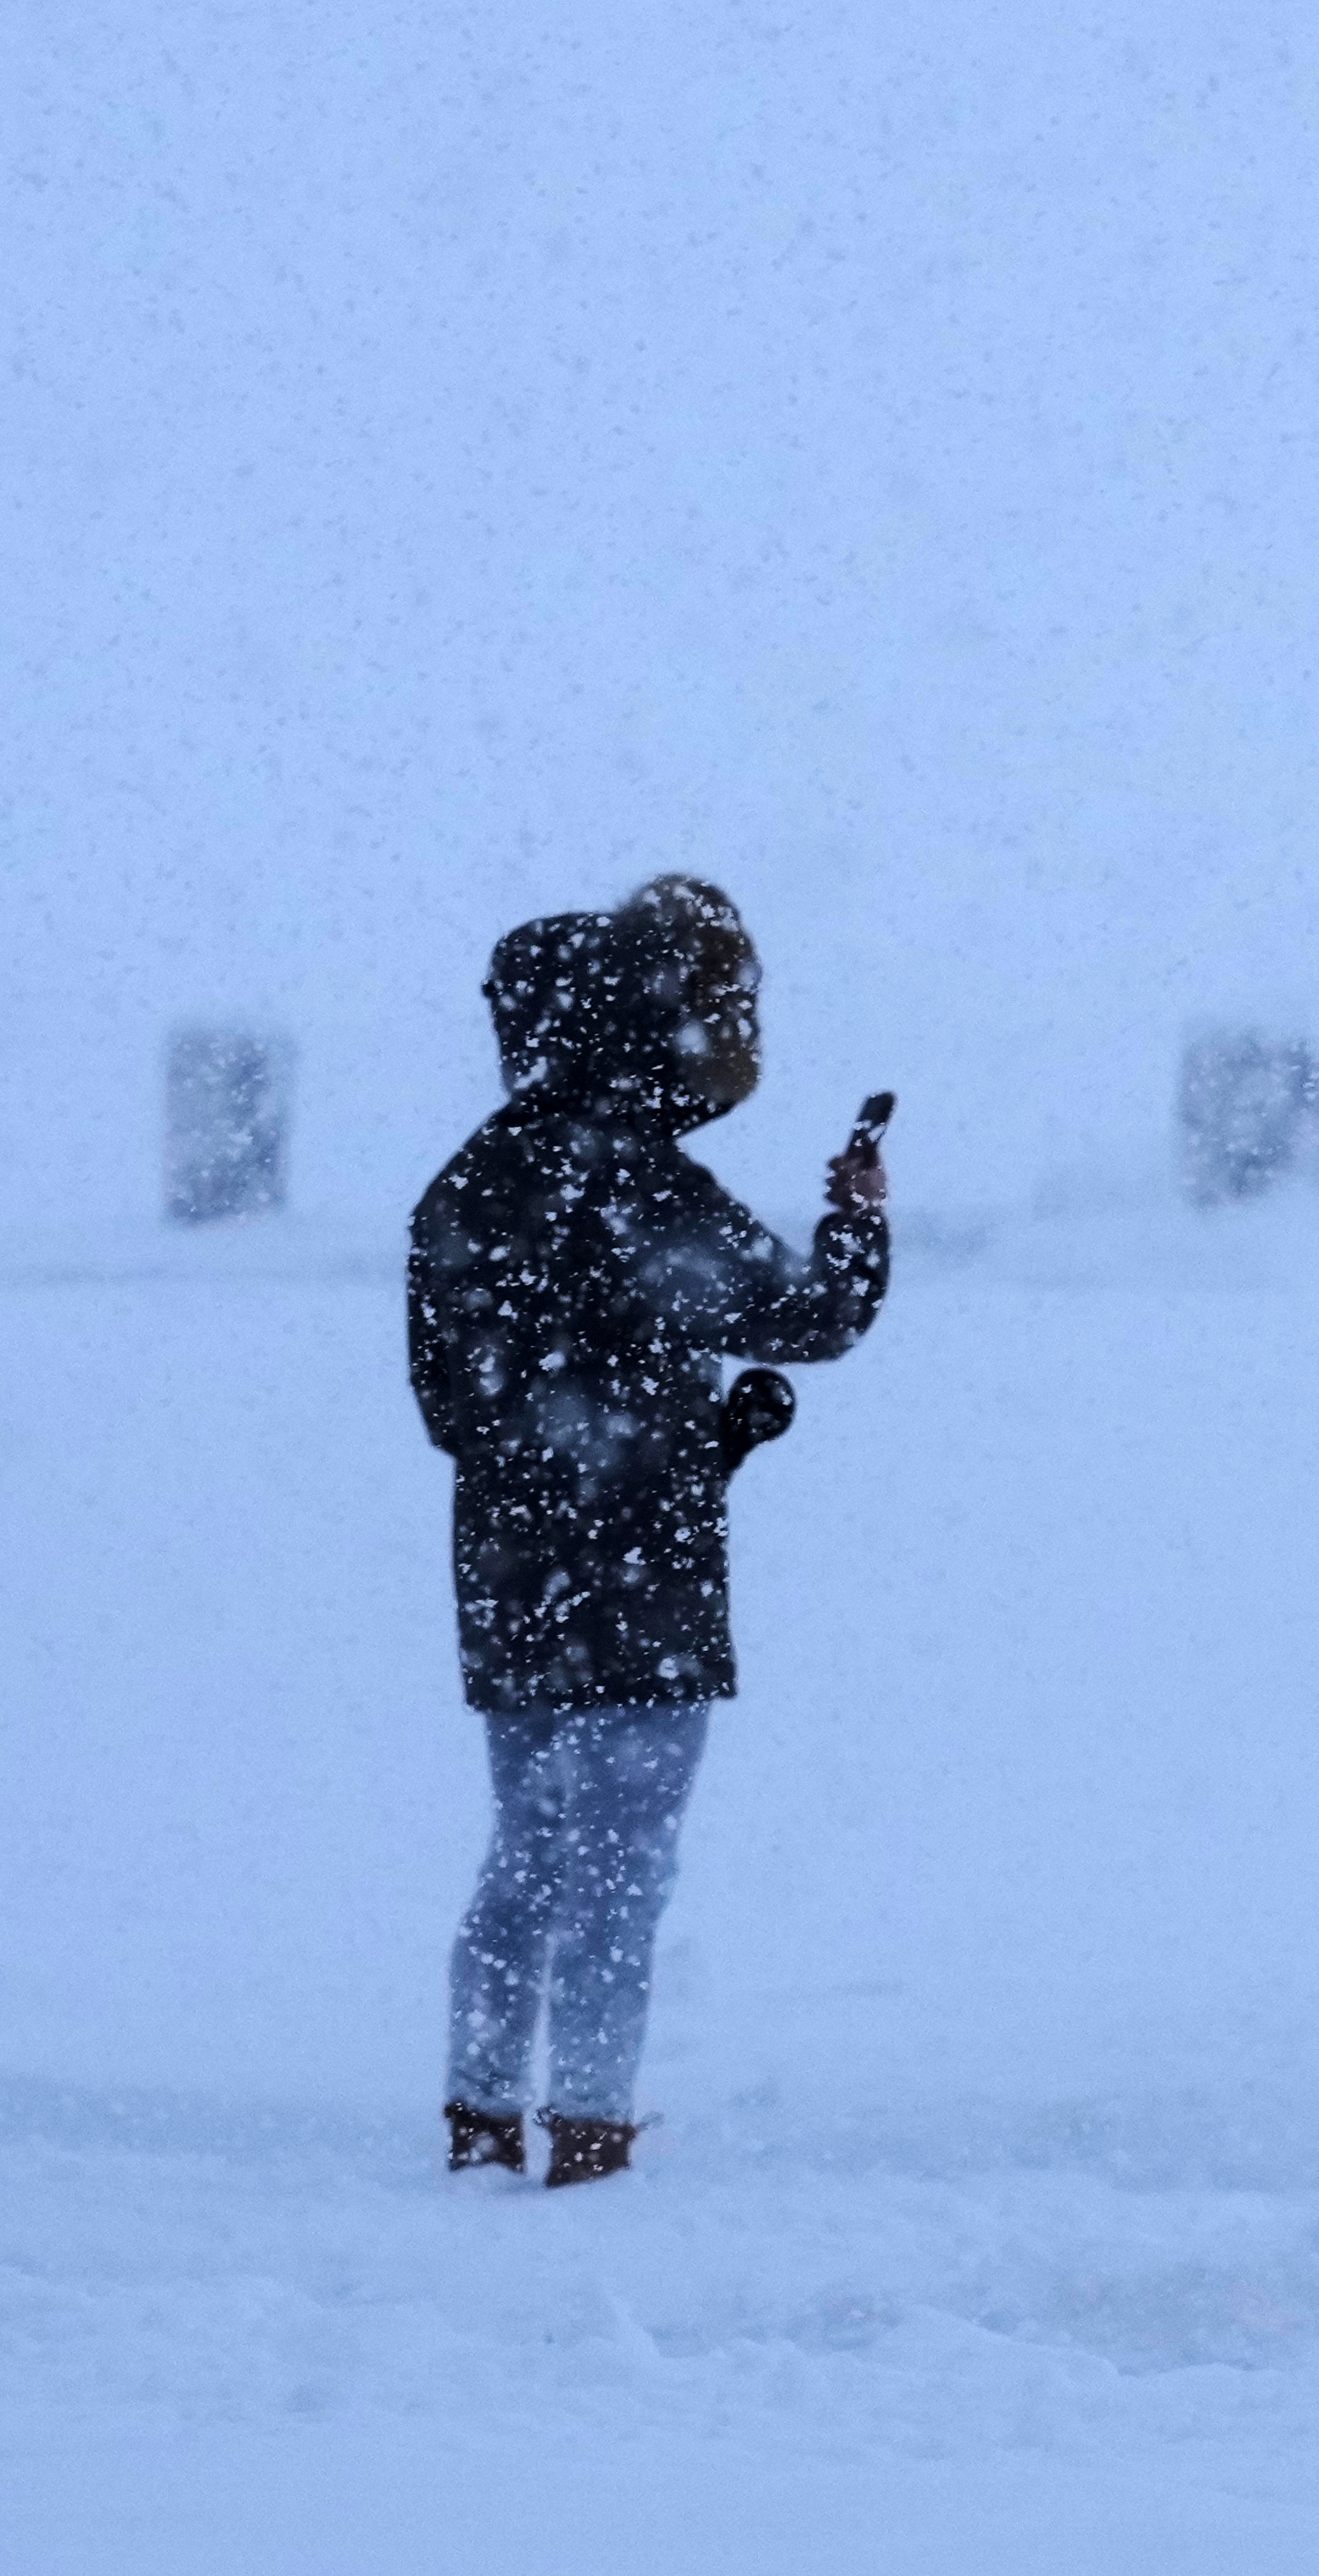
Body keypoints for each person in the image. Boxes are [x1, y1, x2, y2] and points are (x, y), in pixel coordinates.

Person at [407, 874, 889, 2186]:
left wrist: (559, 1462)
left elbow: (452, 1406)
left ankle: (480, 2116)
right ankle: (591, 2128)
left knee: (526, 1849)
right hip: (648, 1579)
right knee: (622, 1866)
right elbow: (810, 1320)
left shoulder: (464, 1187)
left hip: (510, 1573)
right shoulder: (649, 1190)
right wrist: (855, 1226)